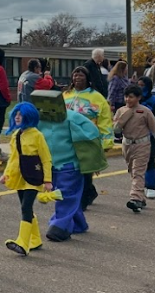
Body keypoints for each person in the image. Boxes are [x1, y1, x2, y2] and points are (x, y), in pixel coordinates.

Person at [32, 90, 105, 242]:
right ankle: (75, 224)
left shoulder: (39, 120)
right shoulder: (72, 117)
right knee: (69, 195)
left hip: (58, 165)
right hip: (67, 165)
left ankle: (59, 226)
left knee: (66, 195)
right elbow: (91, 134)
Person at [0, 102, 51, 255]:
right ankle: (35, 239)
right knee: (26, 206)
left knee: (25, 207)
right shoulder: (16, 135)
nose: (17, 117)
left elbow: (46, 159)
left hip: (33, 178)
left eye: (20, 115)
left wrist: (47, 180)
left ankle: (22, 242)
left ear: (29, 117)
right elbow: (13, 158)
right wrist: (6, 174)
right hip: (20, 178)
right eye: (16, 114)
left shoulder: (37, 136)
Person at [112, 86, 155, 213]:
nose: (128, 99)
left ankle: (135, 198)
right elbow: (116, 130)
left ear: (138, 98)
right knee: (133, 172)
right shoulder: (121, 111)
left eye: (131, 97)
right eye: (126, 96)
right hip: (127, 146)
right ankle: (141, 198)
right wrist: (124, 117)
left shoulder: (145, 111)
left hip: (142, 146)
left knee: (138, 172)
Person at [63, 66, 113, 211]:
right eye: (75, 75)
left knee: (86, 170)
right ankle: (89, 192)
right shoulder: (65, 95)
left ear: (88, 78)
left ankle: (83, 200)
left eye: (81, 76)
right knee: (72, 170)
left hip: (88, 139)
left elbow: (105, 120)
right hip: (68, 139)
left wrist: (106, 140)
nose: (77, 78)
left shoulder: (96, 97)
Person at [138, 76, 155, 199]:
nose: (140, 87)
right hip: (135, 135)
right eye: (138, 85)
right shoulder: (134, 100)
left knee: (149, 160)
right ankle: (140, 185)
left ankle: (151, 186)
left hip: (150, 135)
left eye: (142, 85)